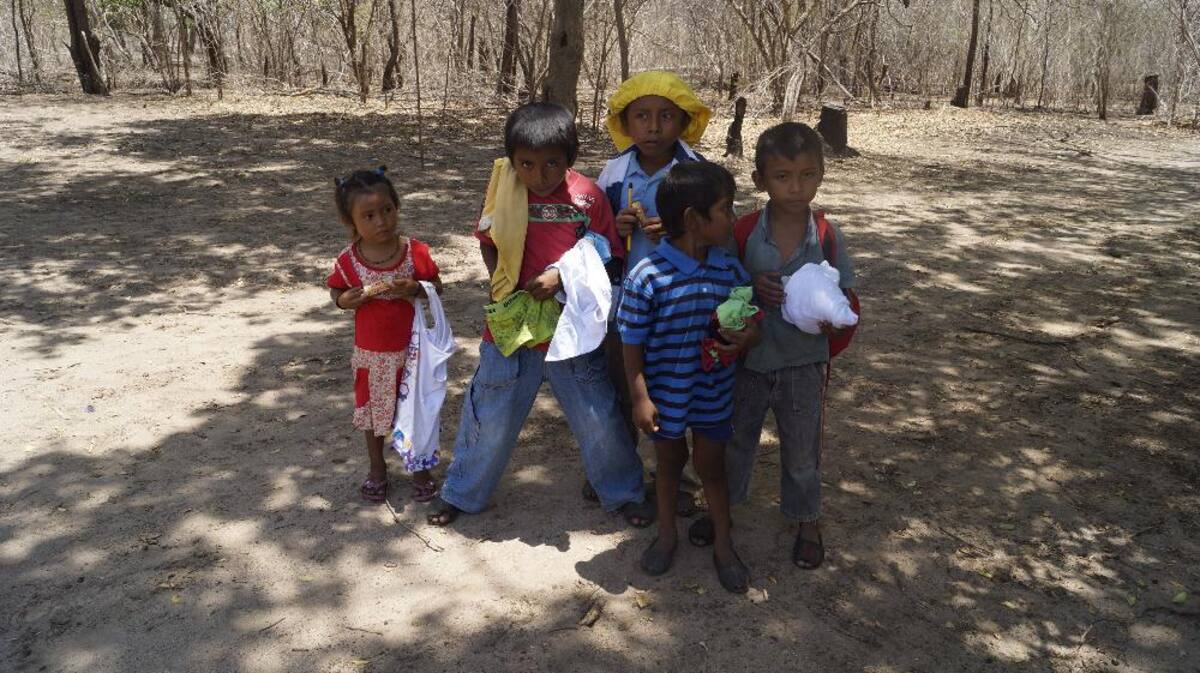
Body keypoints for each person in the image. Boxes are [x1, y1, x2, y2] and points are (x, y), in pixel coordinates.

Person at [426, 102, 652, 528]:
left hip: (572, 327)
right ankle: (461, 492)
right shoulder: (504, 189)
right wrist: (503, 286)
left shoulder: (587, 196)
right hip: (512, 325)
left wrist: (560, 279)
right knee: (490, 411)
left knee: (597, 414)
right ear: (512, 160)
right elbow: (489, 239)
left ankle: (624, 493)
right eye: (526, 164)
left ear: (570, 159)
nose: (539, 174)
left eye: (552, 164)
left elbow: (605, 251)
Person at [689, 122, 858, 570]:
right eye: (782, 176)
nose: (796, 187)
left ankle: (807, 520)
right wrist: (750, 283)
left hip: (803, 363)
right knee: (736, 440)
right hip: (748, 361)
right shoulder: (742, 231)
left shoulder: (826, 235)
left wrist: (830, 325)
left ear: (821, 175)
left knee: (802, 447)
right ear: (760, 180)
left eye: (807, 175)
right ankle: (720, 510)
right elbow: (721, 282)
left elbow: (848, 298)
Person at [617, 161, 761, 594]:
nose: (733, 219)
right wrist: (640, 397)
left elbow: (751, 321)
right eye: (726, 210)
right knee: (668, 464)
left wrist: (749, 335)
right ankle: (667, 535)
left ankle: (723, 544)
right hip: (665, 395)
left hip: (714, 392)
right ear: (695, 221)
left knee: (711, 468)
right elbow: (631, 343)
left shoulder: (730, 271)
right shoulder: (647, 277)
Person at [592, 71, 712, 496]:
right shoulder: (614, 172)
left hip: (681, 304)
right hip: (624, 301)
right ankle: (620, 469)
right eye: (641, 116)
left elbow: (715, 239)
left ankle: (673, 476)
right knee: (624, 387)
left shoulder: (697, 173)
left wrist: (682, 234)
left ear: (683, 122)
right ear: (626, 123)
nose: (653, 126)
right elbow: (592, 236)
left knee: (675, 390)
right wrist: (614, 226)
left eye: (665, 116)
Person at [326, 166, 443, 504]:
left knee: (415, 409)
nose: (381, 221)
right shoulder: (348, 261)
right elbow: (337, 293)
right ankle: (377, 467)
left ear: (397, 207)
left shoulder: (415, 252)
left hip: (413, 351)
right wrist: (345, 300)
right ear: (351, 223)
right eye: (369, 216)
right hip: (372, 352)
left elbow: (437, 286)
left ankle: (418, 465)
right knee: (374, 411)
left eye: (387, 210)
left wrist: (418, 288)